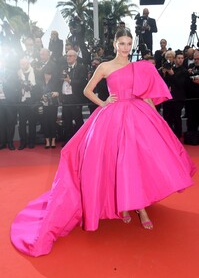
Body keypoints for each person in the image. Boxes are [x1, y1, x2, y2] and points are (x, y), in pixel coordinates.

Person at [10, 28, 196, 257]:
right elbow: (86, 90)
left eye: (129, 43)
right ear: (115, 44)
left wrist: (155, 117)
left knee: (137, 161)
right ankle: (127, 204)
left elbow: (146, 95)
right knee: (117, 161)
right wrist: (104, 102)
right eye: (122, 43)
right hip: (113, 118)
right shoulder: (105, 67)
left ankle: (141, 207)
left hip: (137, 116)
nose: (126, 47)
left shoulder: (139, 67)